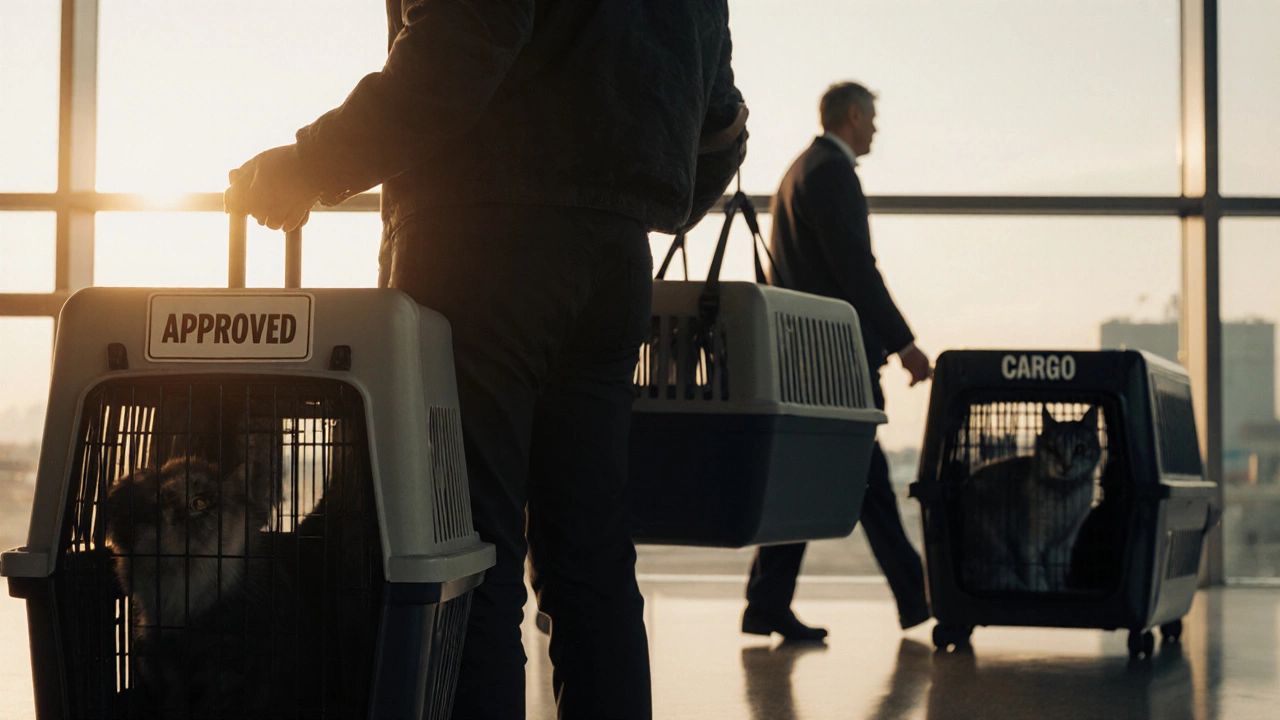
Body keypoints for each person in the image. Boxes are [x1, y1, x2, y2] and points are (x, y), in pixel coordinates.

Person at [223, 3, 748, 718]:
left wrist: (308, 165)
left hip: (479, 243)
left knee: (468, 549)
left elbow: (460, 45)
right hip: (614, 264)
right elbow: (723, 126)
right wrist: (624, 205)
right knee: (590, 559)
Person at [742, 81, 931, 642]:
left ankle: (767, 603)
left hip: (804, 354)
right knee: (866, 477)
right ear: (853, 115)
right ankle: (917, 595)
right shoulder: (831, 172)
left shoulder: (799, 171)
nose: (875, 129)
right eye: (871, 119)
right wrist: (904, 343)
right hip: (834, 359)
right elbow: (856, 269)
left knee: (806, 482)